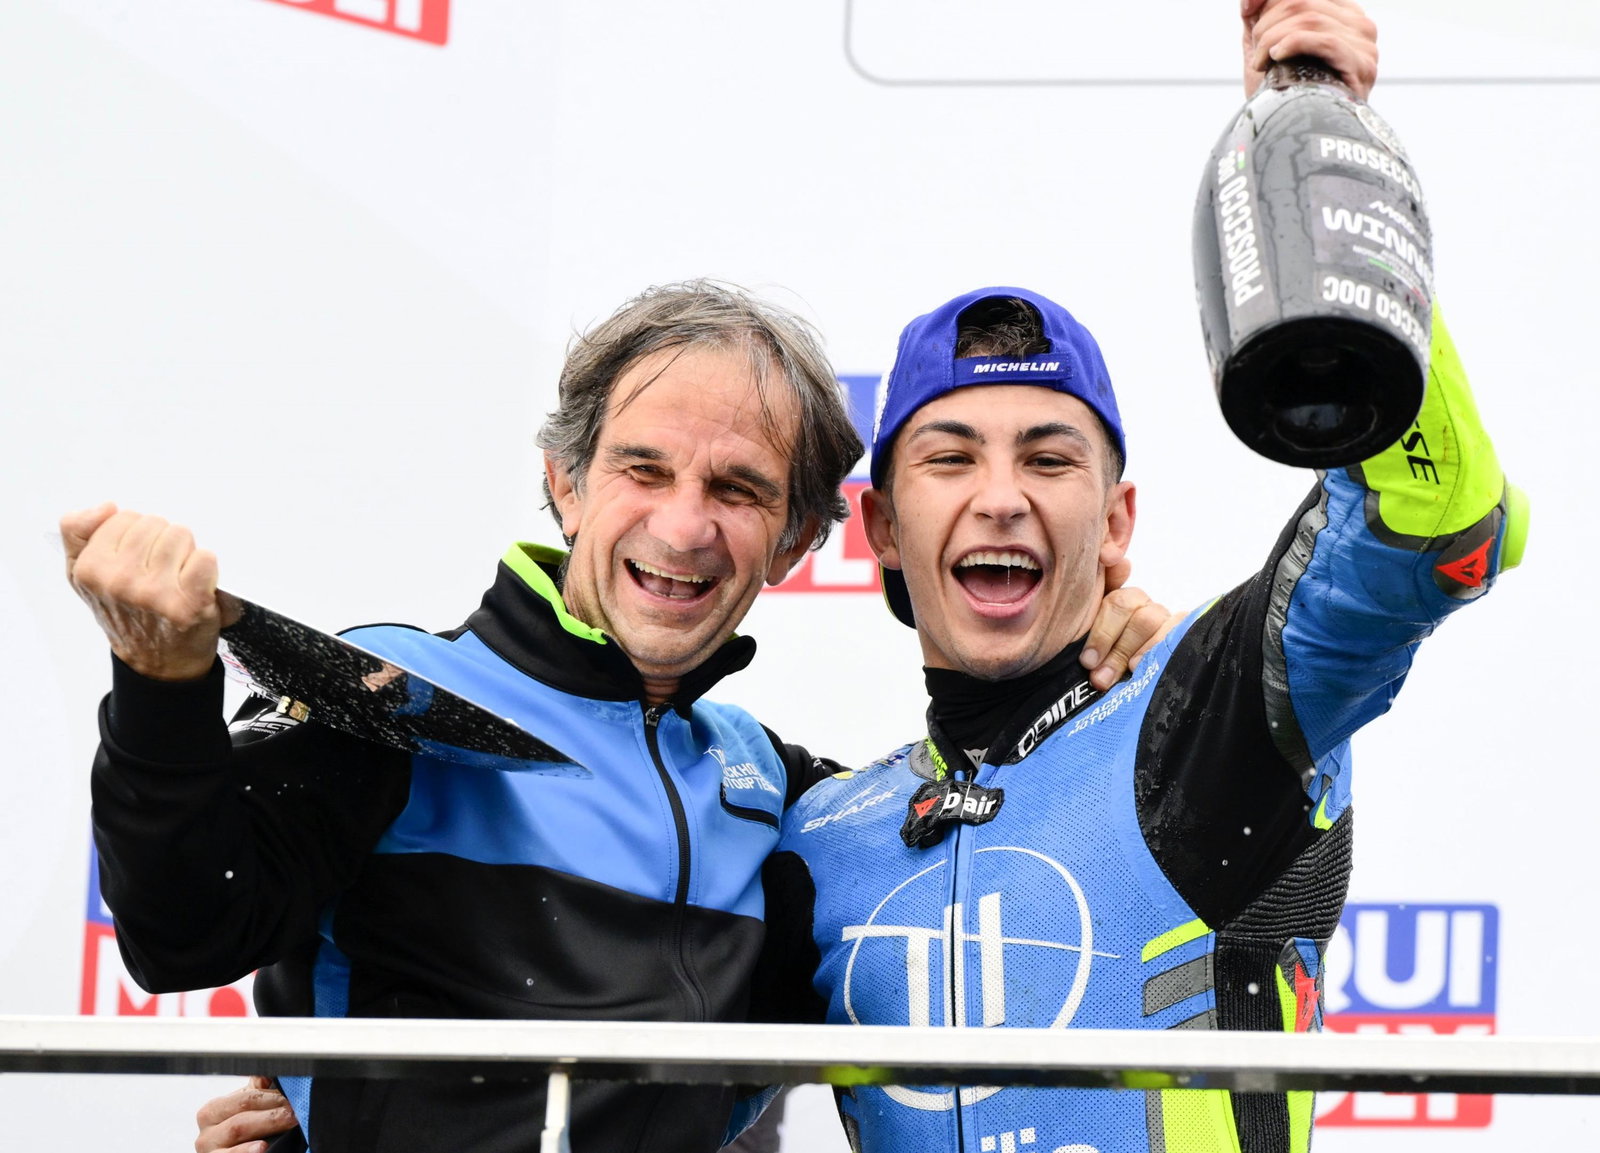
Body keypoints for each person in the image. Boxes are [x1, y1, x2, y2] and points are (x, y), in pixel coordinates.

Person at [65, 281, 1167, 1153]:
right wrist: (161, 685)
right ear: (566, 483)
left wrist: (1113, 655)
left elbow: (993, 839)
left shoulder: (779, 794)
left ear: (792, 542)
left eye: (736, 489)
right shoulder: (393, 696)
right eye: (643, 469)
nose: (684, 526)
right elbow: (180, 930)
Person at [760, 57, 1524, 1153]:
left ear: (1115, 522)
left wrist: (1316, 142)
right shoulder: (815, 833)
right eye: (950, 456)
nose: (1002, 497)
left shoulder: (1214, 711)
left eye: (1048, 457)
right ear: (881, 527)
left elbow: (1437, 527)